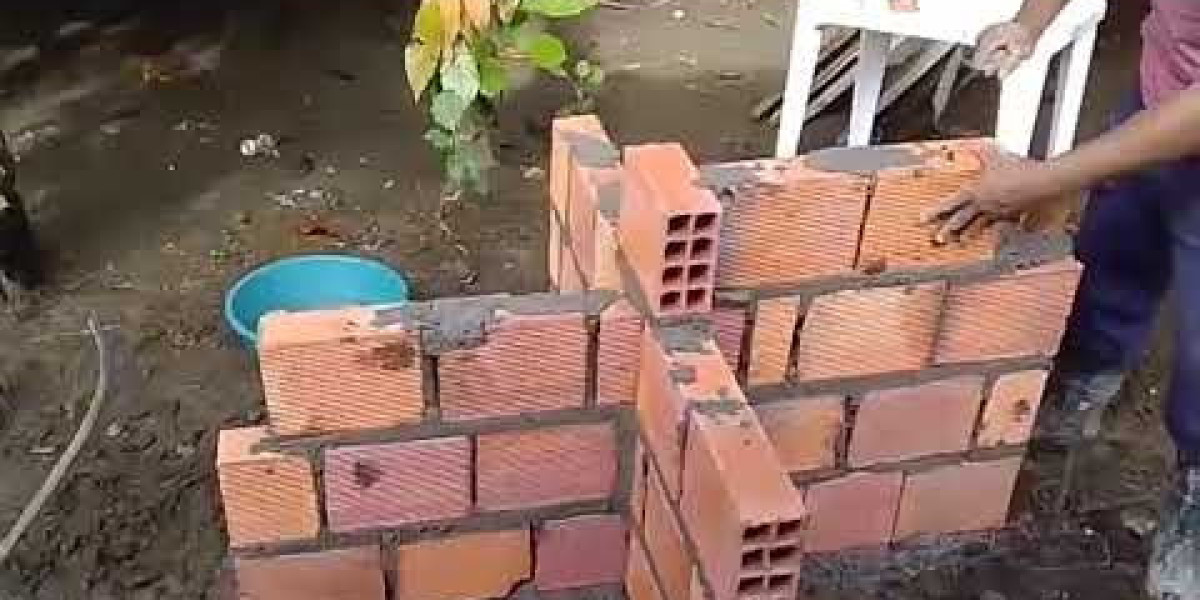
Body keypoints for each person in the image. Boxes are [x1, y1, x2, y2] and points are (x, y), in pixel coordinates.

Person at [921, 0, 1200, 596]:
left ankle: (1194, 496)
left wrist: (1047, 179)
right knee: (1111, 261)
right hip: (1161, 94)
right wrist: (1028, 24)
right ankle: (1076, 398)